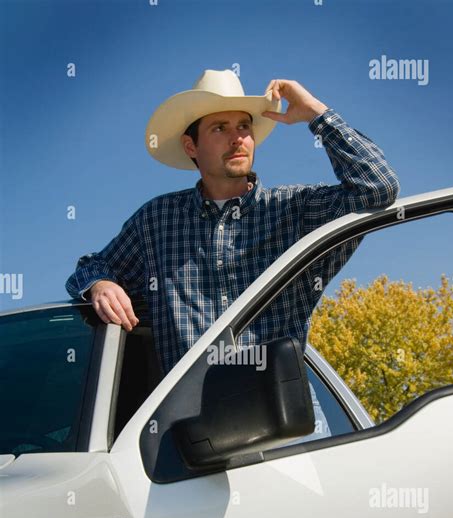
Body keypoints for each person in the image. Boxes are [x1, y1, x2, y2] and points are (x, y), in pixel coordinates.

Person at [65, 69, 400, 381]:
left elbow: (377, 188)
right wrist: (101, 283)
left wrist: (316, 113)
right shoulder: (156, 221)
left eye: (244, 126)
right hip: (189, 420)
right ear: (190, 146)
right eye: (220, 128)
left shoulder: (293, 209)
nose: (238, 138)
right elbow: (91, 268)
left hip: (289, 416)